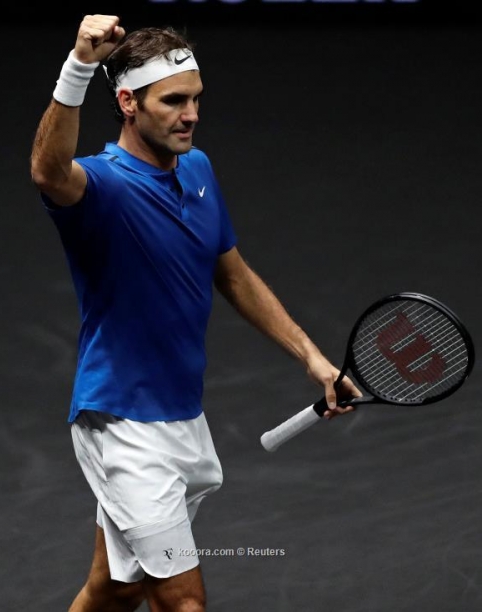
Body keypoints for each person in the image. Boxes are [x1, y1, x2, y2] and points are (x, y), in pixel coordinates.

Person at [30, 14, 361, 612]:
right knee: (183, 602)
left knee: (114, 590)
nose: (191, 115)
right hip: (123, 426)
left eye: (196, 99)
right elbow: (48, 171)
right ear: (128, 103)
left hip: (184, 416)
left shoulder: (199, 170)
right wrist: (78, 66)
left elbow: (232, 274)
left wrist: (312, 359)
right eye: (173, 101)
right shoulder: (102, 186)